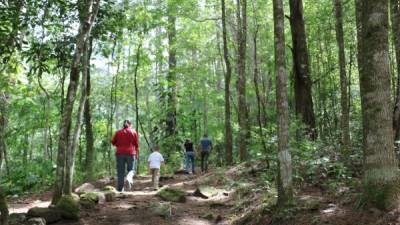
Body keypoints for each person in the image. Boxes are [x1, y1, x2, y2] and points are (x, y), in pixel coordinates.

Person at [111, 120, 139, 192]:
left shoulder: (118, 132)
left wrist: (119, 145)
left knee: (120, 172)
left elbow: (113, 142)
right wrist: (137, 154)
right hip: (131, 153)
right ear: (130, 125)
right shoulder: (133, 132)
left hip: (120, 153)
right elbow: (136, 144)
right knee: (131, 169)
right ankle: (129, 178)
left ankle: (120, 190)